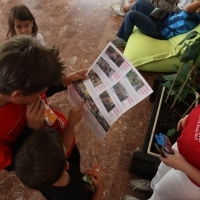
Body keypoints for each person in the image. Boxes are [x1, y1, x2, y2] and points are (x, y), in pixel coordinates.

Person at [0, 35, 88, 171]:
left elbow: (36, 90)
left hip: (60, 135)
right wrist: (30, 129)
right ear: (16, 95)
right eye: (41, 91)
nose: (41, 95)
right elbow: (13, 164)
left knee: (75, 161)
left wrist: (63, 81)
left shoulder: (16, 86)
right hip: (48, 161)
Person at [124, 105, 200, 200]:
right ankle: (152, 186)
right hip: (183, 149)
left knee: (162, 194)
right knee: (161, 171)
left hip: (191, 177)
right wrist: (192, 117)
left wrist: (183, 165)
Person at [14, 127, 104, 200]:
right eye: (64, 147)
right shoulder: (76, 194)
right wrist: (99, 188)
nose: (65, 146)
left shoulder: (41, 178)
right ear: (66, 165)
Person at [112, 0, 200, 47]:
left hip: (160, 30)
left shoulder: (193, 19)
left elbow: (187, 9)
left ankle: (124, 38)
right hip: (164, 17)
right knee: (139, 2)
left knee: (131, 15)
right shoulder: (194, 14)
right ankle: (132, 24)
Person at [110, 0, 193, 17]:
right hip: (179, 2)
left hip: (180, 10)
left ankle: (125, 8)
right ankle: (132, 4)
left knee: (154, 1)